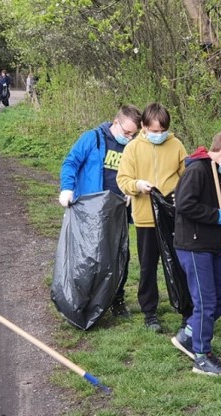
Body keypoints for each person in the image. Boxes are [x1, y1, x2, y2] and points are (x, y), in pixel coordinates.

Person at [170, 129, 221, 375]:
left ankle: (190, 332)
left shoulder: (217, 173)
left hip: (211, 245)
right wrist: (216, 215)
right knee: (205, 300)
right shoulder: (197, 169)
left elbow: (215, 205)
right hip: (193, 245)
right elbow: (184, 205)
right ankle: (202, 356)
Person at [59, 105, 143, 317]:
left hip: (118, 209)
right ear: (116, 123)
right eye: (126, 133)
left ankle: (116, 298)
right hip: (90, 209)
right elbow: (71, 162)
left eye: (134, 134)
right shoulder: (92, 139)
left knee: (117, 254)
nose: (129, 138)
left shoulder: (133, 146)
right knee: (88, 256)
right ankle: (82, 299)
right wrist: (67, 188)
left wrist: (132, 191)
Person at [117, 102, 188, 332]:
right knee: (148, 266)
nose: (159, 135)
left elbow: (187, 177)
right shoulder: (132, 148)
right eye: (154, 131)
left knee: (178, 264)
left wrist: (181, 195)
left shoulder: (176, 145)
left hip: (172, 218)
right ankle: (150, 313)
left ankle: (186, 310)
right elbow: (123, 180)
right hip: (145, 218)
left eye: (162, 131)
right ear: (144, 127)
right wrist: (138, 185)